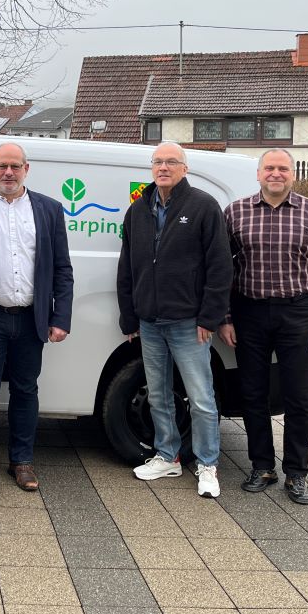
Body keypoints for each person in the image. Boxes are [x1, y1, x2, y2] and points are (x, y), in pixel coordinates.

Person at [219, 148, 308, 506]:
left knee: (299, 397)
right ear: (258, 175)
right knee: (253, 393)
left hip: (299, 313)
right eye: (269, 168)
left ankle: (297, 473)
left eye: (282, 168)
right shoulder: (236, 212)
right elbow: (221, 270)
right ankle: (262, 466)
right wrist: (225, 317)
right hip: (249, 312)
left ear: (292, 174)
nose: (276, 173)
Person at [116, 142, 232, 498]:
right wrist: (129, 316)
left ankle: (207, 464)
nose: (163, 167)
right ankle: (168, 456)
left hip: (188, 322)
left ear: (185, 168)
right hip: (149, 322)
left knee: (200, 398)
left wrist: (210, 317)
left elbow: (220, 266)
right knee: (159, 395)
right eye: (158, 162)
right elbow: (127, 267)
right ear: (151, 168)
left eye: (171, 162)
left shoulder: (203, 206)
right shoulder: (138, 210)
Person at [0, 142, 73, 492]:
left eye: (15, 166)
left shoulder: (49, 210)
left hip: (30, 319)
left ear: (26, 169)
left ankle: (22, 461)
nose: (8, 172)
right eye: (2, 166)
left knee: (25, 390)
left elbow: (62, 268)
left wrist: (61, 317)